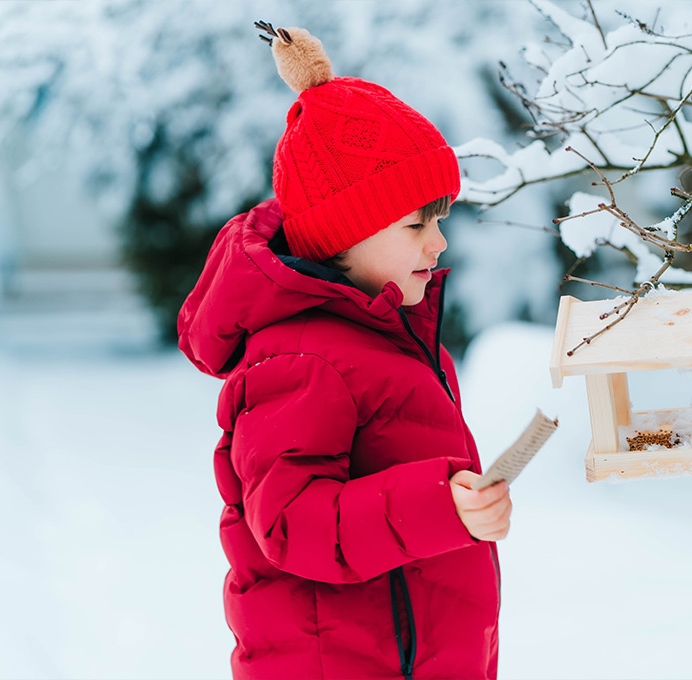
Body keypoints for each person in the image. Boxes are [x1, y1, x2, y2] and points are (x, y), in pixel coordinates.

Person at [177, 23, 510, 680]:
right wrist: (439, 505)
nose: (437, 244)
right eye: (416, 224)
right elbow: (293, 526)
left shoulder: (397, 342)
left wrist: (460, 507)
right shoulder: (300, 361)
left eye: (439, 220)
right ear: (343, 235)